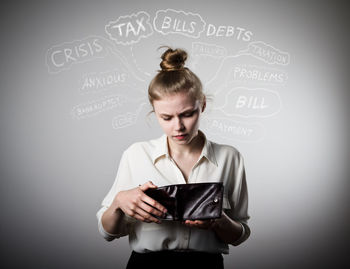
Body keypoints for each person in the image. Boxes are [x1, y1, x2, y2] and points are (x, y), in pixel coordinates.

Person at [96, 47, 250, 269]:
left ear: (203, 105)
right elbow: (107, 233)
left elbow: (240, 235)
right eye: (166, 117)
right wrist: (120, 202)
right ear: (154, 111)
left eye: (187, 114)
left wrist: (219, 221)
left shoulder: (230, 157)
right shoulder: (136, 154)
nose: (178, 126)